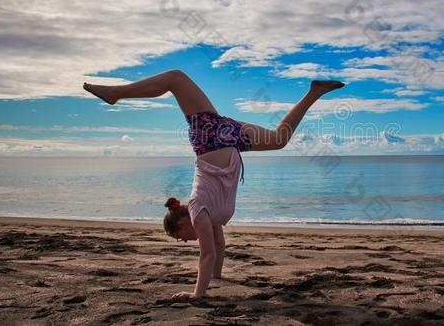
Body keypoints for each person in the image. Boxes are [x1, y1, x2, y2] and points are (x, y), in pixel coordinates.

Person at [82, 70, 344, 299]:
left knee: (175, 77)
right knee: (279, 139)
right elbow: (217, 248)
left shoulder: (198, 211)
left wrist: (197, 294)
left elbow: (205, 254)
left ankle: (115, 92)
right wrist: (216, 278)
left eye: (180, 238)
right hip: (226, 140)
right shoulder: (212, 215)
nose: (185, 241)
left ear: (181, 223)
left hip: (209, 138)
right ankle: (314, 92)